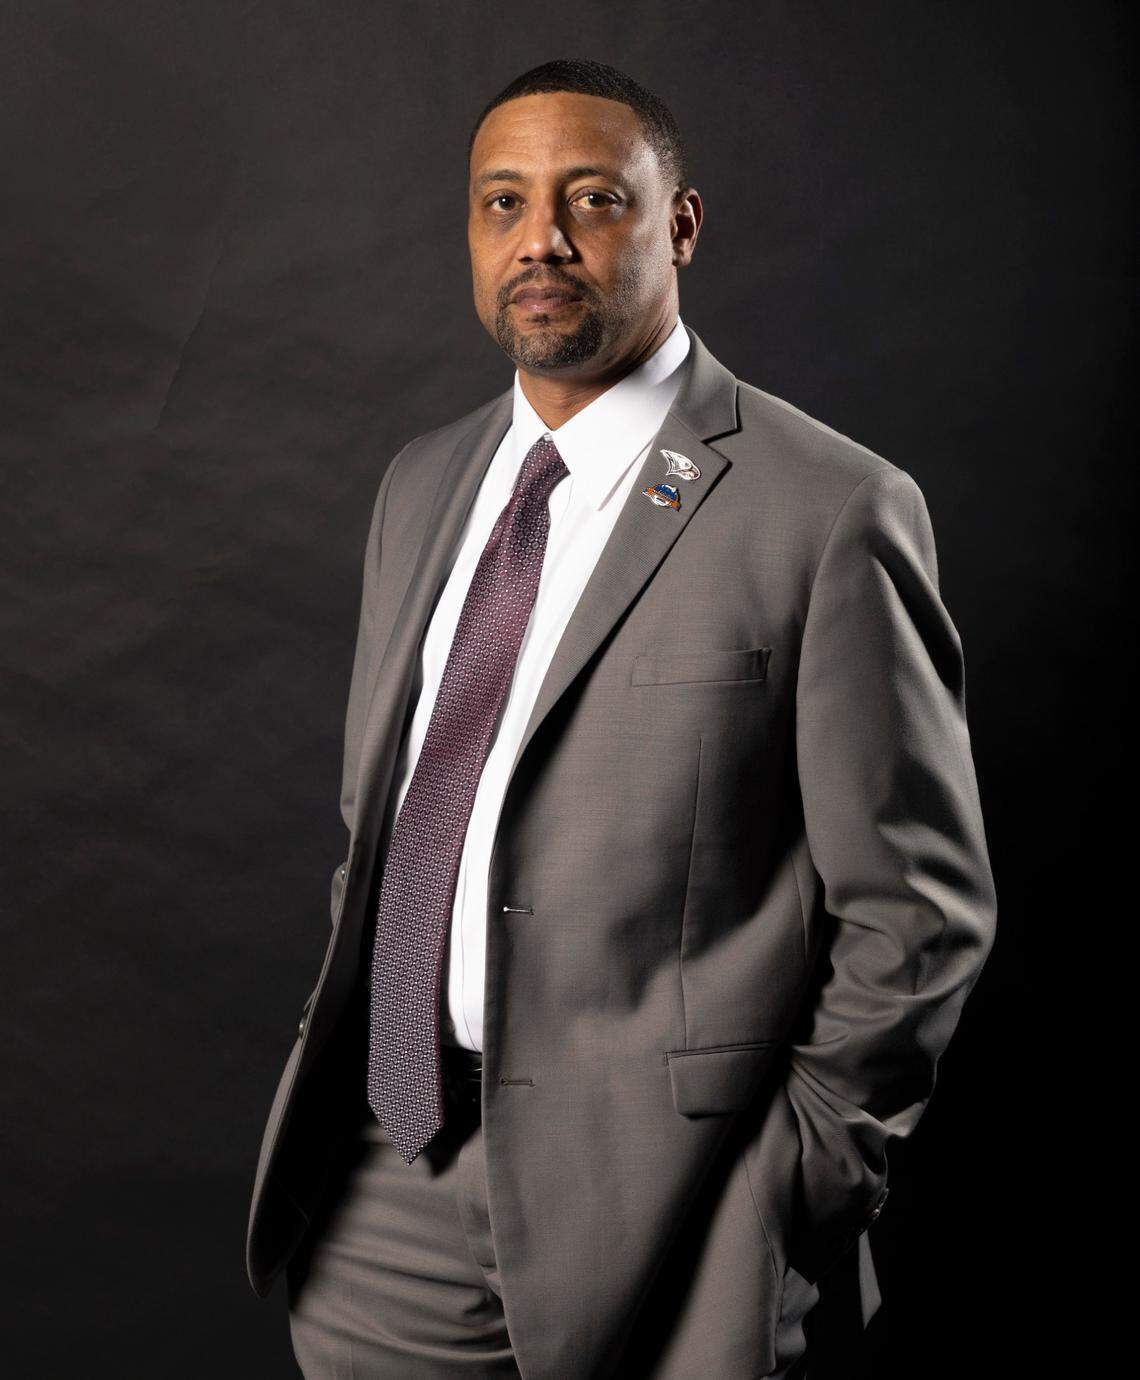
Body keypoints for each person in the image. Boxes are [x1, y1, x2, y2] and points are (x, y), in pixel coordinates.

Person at [245, 57, 997, 1379]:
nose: (540, 237)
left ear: (680, 225)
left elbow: (919, 914)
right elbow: (390, 823)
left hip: (680, 1213)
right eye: (502, 204)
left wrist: (795, 1182)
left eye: (592, 199)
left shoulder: (828, 510)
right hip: (385, 1197)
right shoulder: (421, 486)